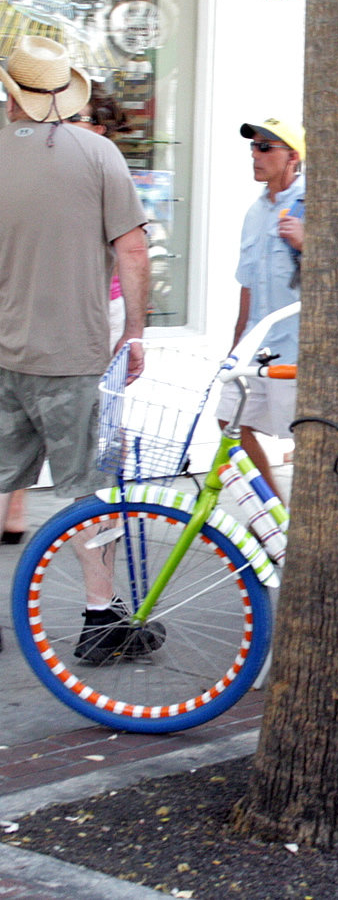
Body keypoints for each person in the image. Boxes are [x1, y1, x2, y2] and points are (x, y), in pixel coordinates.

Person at [0, 36, 151, 661]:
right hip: (74, 356)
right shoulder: (99, 155)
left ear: (12, 94)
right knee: (86, 489)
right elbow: (133, 249)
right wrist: (135, 331)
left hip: (4, 349)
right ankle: (99, 618)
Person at [216, 116, 306, 501]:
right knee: (229, 421)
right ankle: (274, 511)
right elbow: (247, 286)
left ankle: (306, 527)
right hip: (257, 347)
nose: (255, 154)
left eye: (265, 147)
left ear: (293, 157)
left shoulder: (313, 205)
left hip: (297, 351)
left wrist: (308, 245)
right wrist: (236, 346)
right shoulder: (255, 212)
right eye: (253, 146)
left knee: (304, 439)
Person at [66, 80, 134, 349]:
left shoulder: (108, 174)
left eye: (73, 117)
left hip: (100, 307)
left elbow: (130, 251)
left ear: (97, 130)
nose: (61, 124)